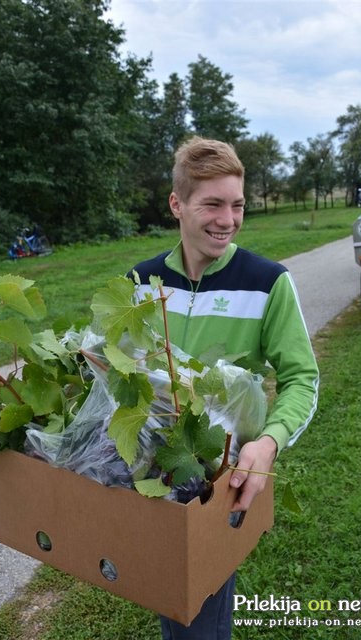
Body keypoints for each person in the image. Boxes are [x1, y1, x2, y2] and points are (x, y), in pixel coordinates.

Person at [129, 136, 319, 639]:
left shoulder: (266, 282)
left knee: (199, 617)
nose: (228, 219)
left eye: (237, 205)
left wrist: (269, 440)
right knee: (170, 598)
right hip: (150, 472)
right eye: (212, 203)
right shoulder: (142, 281)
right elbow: (123, 371)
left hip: (216, 480)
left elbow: (302, 379)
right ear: (177, 204)